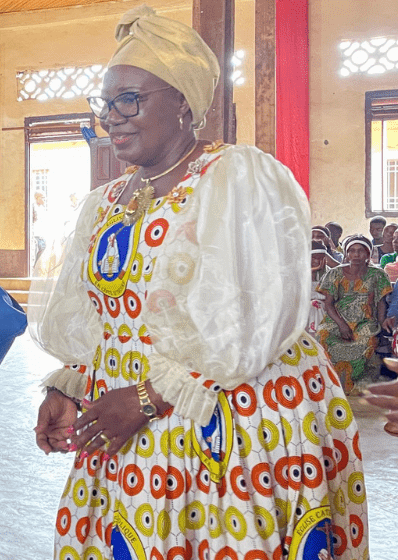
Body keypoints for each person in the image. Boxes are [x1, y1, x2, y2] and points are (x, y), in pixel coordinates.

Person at [29, 6, 368, 558]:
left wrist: (147, 396)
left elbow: (257, 319)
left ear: (183, 102)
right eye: (105, 103)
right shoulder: (104, 204)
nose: (111, 117)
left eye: (129, 100)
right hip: (123, 430)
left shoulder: (238, 179)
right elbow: (99, 314)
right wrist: (68, 384)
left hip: (226, 426)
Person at [317, 235, 392, 393]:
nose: (356, 255)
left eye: (361, 251)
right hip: (337, 319)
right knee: (324, 336)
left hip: (366, 320)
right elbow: (328, 304)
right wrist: (342, 326)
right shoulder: (334, 274)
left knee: (366, 341)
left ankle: (355, 385)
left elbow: (380, 304)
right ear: (346, 254)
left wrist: (381, 324)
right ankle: (331, 386)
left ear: (368, 254)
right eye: (352, 251)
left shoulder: (378, 275)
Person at [308, 241, 332, 334]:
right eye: (314, 258)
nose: (318, 261)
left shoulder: (328, 271)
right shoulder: (298, 272)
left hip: (327, 305)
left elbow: (330, 294)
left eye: (322, 258)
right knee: (315, 305)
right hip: (302, 307)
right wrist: (311, 274)